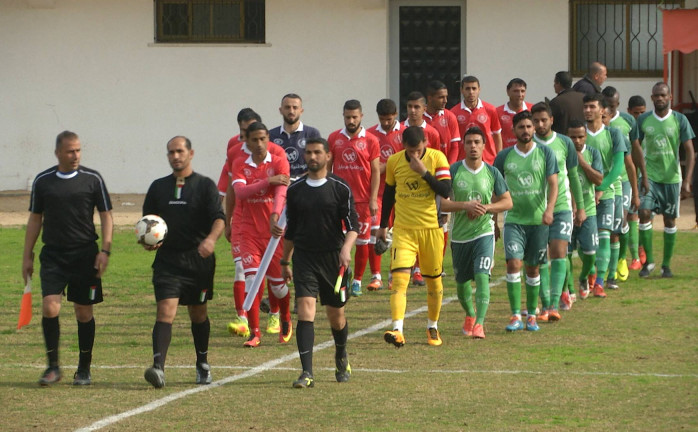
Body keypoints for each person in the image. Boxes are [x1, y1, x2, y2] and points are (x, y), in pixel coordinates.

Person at [23, 130, 113, 386]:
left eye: (78, 150)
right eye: (70, 151)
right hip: (53, 255)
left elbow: (106, 215)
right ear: (57, 153)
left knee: (83, 312)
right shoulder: (43, 181)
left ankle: (83, 368)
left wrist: (105, 250)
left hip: (85, 255)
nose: (76, 155)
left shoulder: (92, 179)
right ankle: (53, 367)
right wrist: (27, 255)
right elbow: (35, 219)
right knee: (50, 307)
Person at [142, 136, 225, 389]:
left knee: (198, 313)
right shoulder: (158, 187)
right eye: (171, 152)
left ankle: (202, 363)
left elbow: (219, 218)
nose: (175, 156)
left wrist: (211, 240)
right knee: (165, 311)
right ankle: (158, 367)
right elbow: (148, 222)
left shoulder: (205, 186)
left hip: (198, 262)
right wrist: (147, 241)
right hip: (168, 260)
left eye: (179, 151)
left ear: (191, 153)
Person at [279, 137, 359, 388]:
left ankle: (341, 353)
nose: (312, 157)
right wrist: (285, 260)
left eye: (317, 153)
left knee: (337, 317)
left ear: (327, 156)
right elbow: (291, 229)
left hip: (333, 259)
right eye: (309, 152)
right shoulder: (295, 190)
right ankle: (307, 373)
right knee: (305, 311)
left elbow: (353, 226)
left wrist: (346, 249)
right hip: (305, 258)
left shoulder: (340, 188)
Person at [378, 126, 451, 347]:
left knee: (433, 283)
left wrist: (423, 172)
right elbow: (389, 194)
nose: (414, 155)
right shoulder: (394, 162)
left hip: (431, 230)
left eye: (418, 150)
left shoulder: (438, 158)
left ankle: (432, 326)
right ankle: (398, 330)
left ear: (426, 143)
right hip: (403, 230)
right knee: (399, 281)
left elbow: (445, 190)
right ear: (403, 146)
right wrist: (383, 226)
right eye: (410, 151)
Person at [440, 127, 512, 339]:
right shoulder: (453, 171)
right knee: (461, 283)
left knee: (482, 276)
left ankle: (479, 324)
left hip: (484, 233)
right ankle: (470, 315)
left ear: (484, 145)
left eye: (477, 142)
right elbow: (441, 203)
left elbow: (508, 201)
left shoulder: (492, 172)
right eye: (469, 142)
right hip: (460, 235)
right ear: (463, 145)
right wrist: (465, 206)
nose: (473, 146)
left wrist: (486, 208)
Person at [493, 111, 558, 332]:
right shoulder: (504, 157)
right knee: (513, 263)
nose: (526, 131)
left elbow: (553, 184)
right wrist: (494, 220)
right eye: (521, 127)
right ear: (514, 130)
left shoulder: (545, 153)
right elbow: (496, 191)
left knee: (533, 268)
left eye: (529, 127)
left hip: (538, 221)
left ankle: (531, 314)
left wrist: (549, 210)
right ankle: (514, 315)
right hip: (513, 221)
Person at [231, 122, 292, 347]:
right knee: (252, 279)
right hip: (248, 232)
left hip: (273, 233)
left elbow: (281, 191)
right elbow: (240, 192)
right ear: (246, 141)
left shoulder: (279, 161)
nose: (259, 144)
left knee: (278, 286)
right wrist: (267, 181)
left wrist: (275, 216)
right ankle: (254, 333)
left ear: (268, 139)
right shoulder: (239, 163)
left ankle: (285, 315)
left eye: (263, 139)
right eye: (254, 140)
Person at [530, 102, 585, 319]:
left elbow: (573, 176)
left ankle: (552, 305)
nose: (540, 124)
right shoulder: (528, 145)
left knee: (559, 251)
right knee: (540, 256)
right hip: (536, 209)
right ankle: (545, 303)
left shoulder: (564, 143)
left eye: (544, 120)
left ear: (552, 120)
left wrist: (580, 207)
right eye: (536, 121)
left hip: (561, 206)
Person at [636, 82, 696, 278]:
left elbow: (689, 151)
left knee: (669, 220)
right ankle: (649, 262)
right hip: (649, 177)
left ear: (670, 97)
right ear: (652, 98)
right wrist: (641, 174)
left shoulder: (680, 119)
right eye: (656, 95)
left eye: (663, 95)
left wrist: (687, 180)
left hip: (671, 178)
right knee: (644, 213)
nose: (659, 98)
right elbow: (635, 146)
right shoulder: (644, 120)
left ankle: (666, 266)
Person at [328, 100, 380, 297]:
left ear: (361, 116)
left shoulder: (371, 141)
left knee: (362, 242)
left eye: (354, 117)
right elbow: (327, 168)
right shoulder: (334, 138)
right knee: (339, 242)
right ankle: (342, 276)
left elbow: (375, 172)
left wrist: (373, 199)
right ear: (343, 116)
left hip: (362, 200)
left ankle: (357, 280)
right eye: (348, 117)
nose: (351, 120)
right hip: (338, 199)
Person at [583, 94, 626, 297]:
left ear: (602, 110)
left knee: (606, 234)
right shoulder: (579, 134)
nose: (588, 110)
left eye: (592, 106)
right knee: (588, 241)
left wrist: (601, 188)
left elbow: (618, 167)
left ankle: (602, 280)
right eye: (585, 107)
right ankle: (591, 274)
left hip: (608, 192)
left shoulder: (613, 134)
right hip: (583, 194)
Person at [602, 86, 642, 277]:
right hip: (602, 182)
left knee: (622, 220)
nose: (607, 109)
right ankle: (608, 265)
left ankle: (621, 259)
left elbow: (633, 155)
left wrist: (636, 190)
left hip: (623, 180)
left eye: (612, 106)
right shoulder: (590, 130)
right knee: (606, 226)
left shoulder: (626, 122)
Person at [366, 98, 406, 291]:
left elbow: (410, 158)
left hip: (401, 192)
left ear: (396, 115)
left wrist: (387, 166)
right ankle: (376, 276)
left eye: (389, 119)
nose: (386, 122)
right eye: (383, 119)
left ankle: (393, 275)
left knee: (397, 233)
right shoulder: (371, 134)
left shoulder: (405, 133)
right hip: (379, 192)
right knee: (376, 231)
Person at [567, 120, 604, 299]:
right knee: (565, 253)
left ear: (586, 136)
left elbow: (599, 180)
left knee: (590, 253)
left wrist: (582, 162)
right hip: (566, 211)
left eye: (580, 136)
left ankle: (583, 277)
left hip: (588, 210)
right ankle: (569, 290)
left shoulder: (593, 153)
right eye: (572, 137)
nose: (576, 140)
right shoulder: (562, 154)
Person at [451, 75, 503, 164]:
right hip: (463, 160)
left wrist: (499, 158)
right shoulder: (453, 113)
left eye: (474, 88)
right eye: (467, 89)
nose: (471, 92)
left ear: (479, 89)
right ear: (461, 90)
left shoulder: (490, 110)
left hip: (488, 160)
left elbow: (497, 135)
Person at [269, 93, 322, 179]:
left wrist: (299, 179)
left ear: (301, 111)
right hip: (279, 185)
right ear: (280, 110)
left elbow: (320, 161)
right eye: (287, 107)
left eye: (295, 107)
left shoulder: (312, 133)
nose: (291, 111)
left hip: (305, 185)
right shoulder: (271, 135)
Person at [425, 80, 461, 164]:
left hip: (444, 167)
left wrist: (449, 168)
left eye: (446, 97)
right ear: (430, 98)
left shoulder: (450, 117)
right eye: (441, 97)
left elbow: (455, 147)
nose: (445, 101)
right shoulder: (419, 117)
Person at [496, 78, 533, 149]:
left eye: (522, 91)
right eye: (516, 91)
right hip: (507, 156)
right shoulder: (497, 112)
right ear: (508, 92)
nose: (519, 94)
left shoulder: (532, 110)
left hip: (528, 154)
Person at [550, 71, 585, 135]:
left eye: (555, 83)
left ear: (559, 83)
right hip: (582, 137)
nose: (554, 85)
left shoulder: (556, 102)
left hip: (563, 139)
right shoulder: (583, 97)